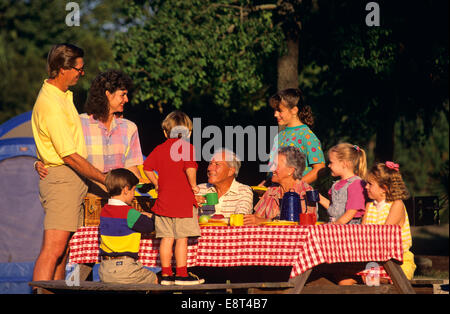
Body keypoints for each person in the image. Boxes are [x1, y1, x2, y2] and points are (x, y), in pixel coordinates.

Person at [31, 43, 106, 283]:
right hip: (62, 180)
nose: (81, 73)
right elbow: (68, 155)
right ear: (63, 68)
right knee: (53, 250)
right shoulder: (51, 104)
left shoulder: (62, 96)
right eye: (79, 69)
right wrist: (105, 179)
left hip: (69, 179)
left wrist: (38, 160)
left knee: (62, 253)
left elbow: (49, 142)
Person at [35, 69, 144, 199]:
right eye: (123, 95)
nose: (126, 99)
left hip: (118, 200)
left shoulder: (130, 128)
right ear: (108, 94)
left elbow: (131, 168)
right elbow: (57, 147)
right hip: (86, 197)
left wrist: (152, 183)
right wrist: (38, 163)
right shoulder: (79, 123)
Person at [143, 110, 204, 285]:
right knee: (181, 239)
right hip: (183, 202)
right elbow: (190, 169)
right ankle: (182, 274)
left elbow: (147, 167)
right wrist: (193, 186)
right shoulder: (187, 148)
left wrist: (156, 182)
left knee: (166, 239)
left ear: (165, 132)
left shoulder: (159, 149)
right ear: (189, 133)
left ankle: (167, 275)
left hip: (163, 202)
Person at [98, 168, 157, 284]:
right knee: (154, 279)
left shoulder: (104, 210)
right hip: (125, 268)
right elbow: (150, 226)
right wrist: (150, 216)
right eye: (133, 190)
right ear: (125, 190)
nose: (134, 195)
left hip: (104, 268)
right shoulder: (129, 212)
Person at [363, 161, 416, 280]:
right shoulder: (369, 206)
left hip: (399, 262)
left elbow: (383, 236)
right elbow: (363, 235)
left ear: (384, 188)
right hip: (376, 260)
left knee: (372, 279)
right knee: (349, 278)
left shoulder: (397, 205)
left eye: (370, 184)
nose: (366, 187)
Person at [265, 88, 326, 184]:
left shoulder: (307, 136)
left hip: (298, 197)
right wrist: (266, 183)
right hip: (277, 195)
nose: (275, 114)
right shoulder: (279, 136)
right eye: (275, 110)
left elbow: (319, 168)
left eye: (279, 110)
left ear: (294, 110)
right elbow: (273, 168)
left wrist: (297, 186)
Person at [245, 146, 315, 225]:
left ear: (290, 170)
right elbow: (256, 218)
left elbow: (302, 224)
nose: (271, 168)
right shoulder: (272, 190)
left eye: (276, 165)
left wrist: (264, 221)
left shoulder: (306, 191)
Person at [318, 143, 367, 224]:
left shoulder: (356, 184)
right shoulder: (336, 185)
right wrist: (318, 197)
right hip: (337, 227)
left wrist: (337, 224)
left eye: (331, 162)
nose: (329, 166)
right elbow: (334, 208)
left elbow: (351, 211)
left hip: (349, 230)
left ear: (344, 163)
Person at [196, 149, 253, 218]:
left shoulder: (243, 191)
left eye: (217, 164)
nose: (209, 168)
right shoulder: (199, 189)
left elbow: (240, 219)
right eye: (210, 163)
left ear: (231, 171)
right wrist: (190, 203)